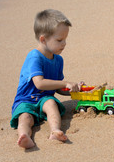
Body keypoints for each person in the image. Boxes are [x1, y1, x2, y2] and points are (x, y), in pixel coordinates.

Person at [10, 9, 83, 149]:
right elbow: (40, 83)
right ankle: (24, 136)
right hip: (26, 99)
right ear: (43, 39)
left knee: (51, 104)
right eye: (59, 40)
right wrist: (65, 82)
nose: (64, 43)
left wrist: (73, 89)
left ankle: (55, 130)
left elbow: (57, 88)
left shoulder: (58, 60)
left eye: (65, 39)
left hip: (44, 99)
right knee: (25, 117)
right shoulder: (34, 57)